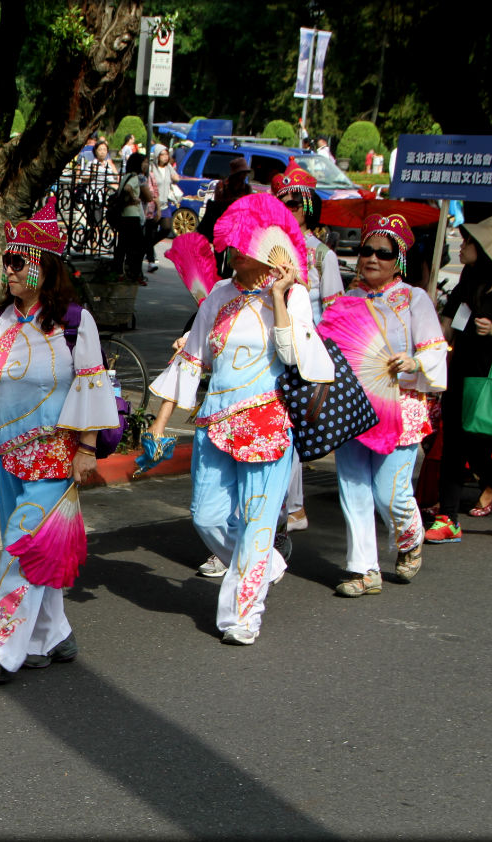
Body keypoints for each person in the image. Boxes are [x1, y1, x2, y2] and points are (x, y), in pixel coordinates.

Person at [0, 196, 116, 683]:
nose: (9, 272)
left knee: (22, 549)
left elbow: (92, 384)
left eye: (18, 263)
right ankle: (52, 634)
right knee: (33, 549)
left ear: (44, 268)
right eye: (6, 262)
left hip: (55, 463)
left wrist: (84, 449)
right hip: (9, 459)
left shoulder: (74, 324)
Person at [144, 193, 332, 645]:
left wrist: (281, 296)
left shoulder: (295, 297)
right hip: (214, 424)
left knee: (257, 522)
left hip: (267, 425)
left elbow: (293, 356)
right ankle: (264, 563)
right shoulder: (217, 298)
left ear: (263, 251)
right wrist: (159, 422)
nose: (229, 253)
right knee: (205, 517)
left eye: (237, 247)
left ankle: (242, 615)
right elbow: (191, 359)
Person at [331, 214, 447, 596]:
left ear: (398, 260)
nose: (372, 258)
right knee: (353, 486)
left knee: (389, 492)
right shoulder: (347, 300)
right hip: (353, 409)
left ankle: (411, 537)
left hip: (401, 407)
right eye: (367, 250)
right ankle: (364, 570)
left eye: (383, 252)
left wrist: (415, 363)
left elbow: (434, 349)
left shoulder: (415, 299)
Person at [426, 216, 492, 545]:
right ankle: (449, 518)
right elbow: (448, 326)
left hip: (490, 381)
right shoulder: (467, 283)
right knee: (453, 445)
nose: (461, 246)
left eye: (467, 242)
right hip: (459, 374)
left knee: (475, 449)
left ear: (483, 248)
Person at [272, 159, 344, 536]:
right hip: (270, 349)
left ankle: (294, 506)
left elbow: (335, 313)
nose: (291, 209)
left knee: (293, 431)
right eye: (283, 201)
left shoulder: (322, 255)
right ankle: (282, 505)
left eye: (297, 202)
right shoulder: (268, 250)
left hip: (304, 354)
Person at [111, 152, 151, 284]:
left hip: (123, 215)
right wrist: (135, 198)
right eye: (144, 162)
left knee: (122, 245)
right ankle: (134, 273)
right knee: (137, 247)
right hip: (132, 216)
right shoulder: (135, 177)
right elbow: (128, 189)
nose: (146, 165)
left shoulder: (125, 176)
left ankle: (119, 271)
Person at [144, 144, 182, 273]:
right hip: (153, 204)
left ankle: (146, 247)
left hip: (165, 204)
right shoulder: (152, 168)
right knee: (151, 231)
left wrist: (174, 177)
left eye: (167, 154)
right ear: (158, 155)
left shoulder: (168, 167)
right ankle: (150, 259)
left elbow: (176, 178)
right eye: (162, 154)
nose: (165, 157)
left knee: (166, 228)